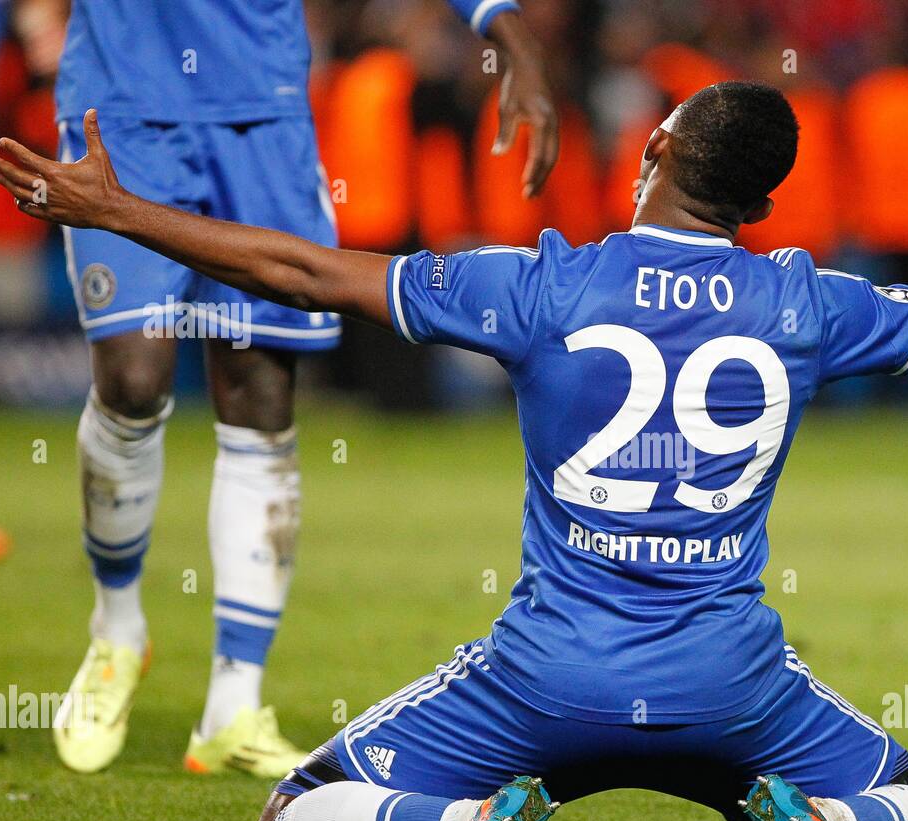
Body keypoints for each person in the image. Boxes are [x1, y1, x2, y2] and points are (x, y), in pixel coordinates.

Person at [0, 81, 908, 821]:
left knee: (293, 815)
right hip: (732, 693)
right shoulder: (803, 303)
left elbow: (306, 271)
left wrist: (121, 213)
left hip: (543, 684)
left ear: (652, 147)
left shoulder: (543, 283)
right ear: (760, 202)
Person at [31, 0, 557, 777]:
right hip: (124, 105)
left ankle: (234, 703)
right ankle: (117, 630)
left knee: (261, 393)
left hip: (263, 115)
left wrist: (511, 38)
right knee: (133, 381)